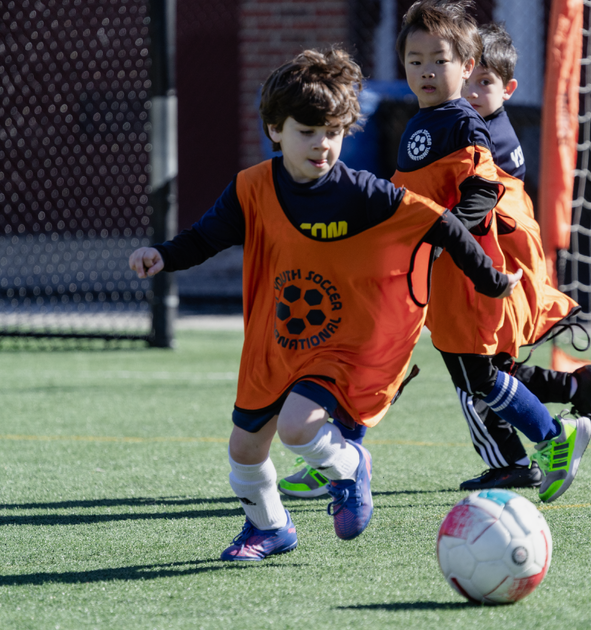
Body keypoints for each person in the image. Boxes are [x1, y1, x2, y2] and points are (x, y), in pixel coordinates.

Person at [129, 48, 521, 560]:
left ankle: (349, 466)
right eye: (307, 132)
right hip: (274, 340)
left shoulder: (362, 193)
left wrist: (490, 280)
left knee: (297, 426)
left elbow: (441, 222)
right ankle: (270, 529)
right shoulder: (251, 188)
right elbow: (207, 237)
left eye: (333, 132)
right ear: (275, 129)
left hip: (339, 343)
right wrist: (162, 255)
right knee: (244, 453)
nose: (322, 145)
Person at [390, 0, 591, 504]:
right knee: (469, 373)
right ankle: (530, 451)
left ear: (466, 65)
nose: (426, 71)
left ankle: (552, 437)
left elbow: (482, 193)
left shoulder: (462, 122)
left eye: (439, 60)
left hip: (466, 271)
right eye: (415, 61)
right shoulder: (424, 120)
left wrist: (447, 238)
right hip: (439, 272)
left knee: (477, 374)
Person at [452, 21, 591, 492]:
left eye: (487, 83)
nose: (475, 92)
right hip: (504, 269)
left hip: (498, 273)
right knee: (495, 371)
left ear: (509, 88)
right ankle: (574, 388)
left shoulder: (482, 137)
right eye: (470, 81)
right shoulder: (484, 127)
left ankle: (513, 459)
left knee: (475, 378)